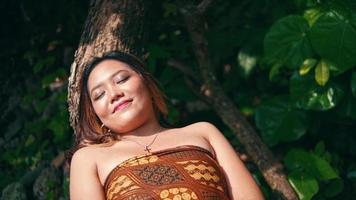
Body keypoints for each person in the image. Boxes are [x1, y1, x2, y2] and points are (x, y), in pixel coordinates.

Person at [69, 51, 264, 200]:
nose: (113, 94)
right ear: (95, 114)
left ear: (147, 83)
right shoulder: (89, 158)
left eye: (122, 79)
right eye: (99, 95)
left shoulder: (203, 132)